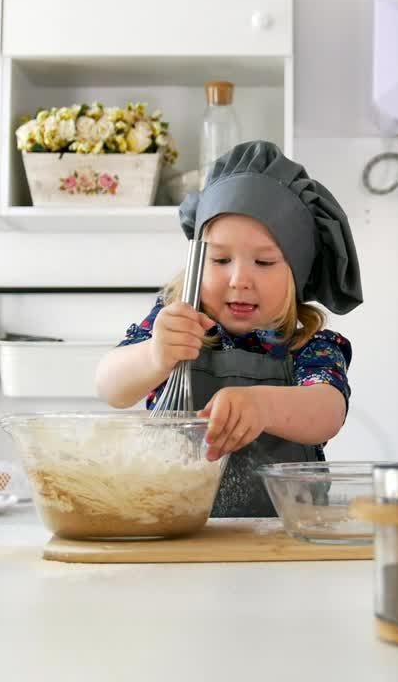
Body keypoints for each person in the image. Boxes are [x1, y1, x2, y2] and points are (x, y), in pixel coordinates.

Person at [95, 140, 364, 517]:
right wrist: (155, 355)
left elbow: (327, 411)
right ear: (197, 261)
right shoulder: (174, 325)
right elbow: (110, 387)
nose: (239, 279)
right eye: (220, 259)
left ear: (297, 274)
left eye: (264, 262)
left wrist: (262, 406)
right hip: (176, 530)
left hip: (282, 538)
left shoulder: (309, 344)